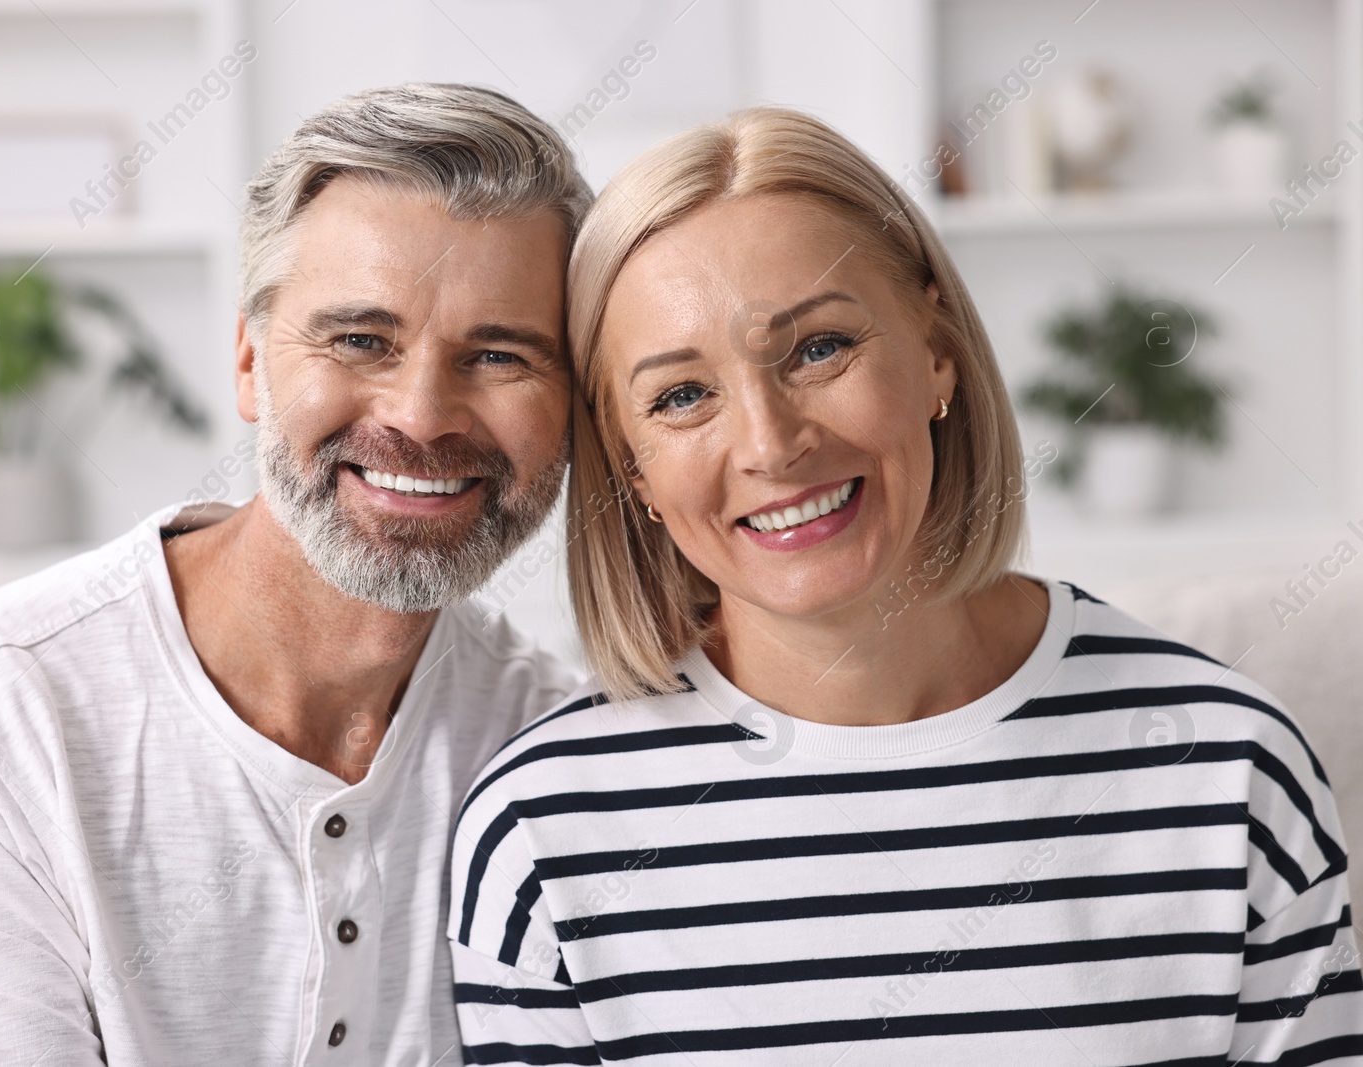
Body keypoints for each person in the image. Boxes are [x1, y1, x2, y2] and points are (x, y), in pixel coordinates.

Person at [449, 107, 1363, 1064]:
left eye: (817, 348)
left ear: (936, 351)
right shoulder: (544, 834)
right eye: (682, 396)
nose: (770, 444)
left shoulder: (1223, 766)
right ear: (630, 465)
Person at [0, 83, 591, 1065]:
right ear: (247, 361)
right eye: (361, 339)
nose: (423, 414)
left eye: (498, 354)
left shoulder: (564, 750)